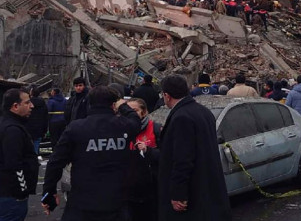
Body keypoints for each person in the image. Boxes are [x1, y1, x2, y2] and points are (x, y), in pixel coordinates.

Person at [42, 86, 140, 221]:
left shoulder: (76, 128)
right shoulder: (123, 125)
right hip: (116, 200)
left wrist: (49, 191)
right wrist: (123, 105)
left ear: (89, 103)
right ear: (113, 105)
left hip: (83, 200)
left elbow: (56, 162)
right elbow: (135, 120)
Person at [157, 75, 230, 220]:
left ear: (166, 95)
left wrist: (178, 193)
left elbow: (182, 159)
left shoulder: (181, 117)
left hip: (193, 192)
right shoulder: (203, 111)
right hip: (207, 187)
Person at [0, 89, 38, 221]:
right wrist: (23, 190)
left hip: (2, 191)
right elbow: (14, 165)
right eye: (27, 103)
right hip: (10, 195)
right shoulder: (12, 130)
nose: (31, 106)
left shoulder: (4, 123)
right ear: (15, 106)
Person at [126, 98, 161, 221]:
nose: (131, 114)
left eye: (134, 110)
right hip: (128, 191)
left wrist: (148, 151)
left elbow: (166, 156)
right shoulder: (122, 130)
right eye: (128, 111)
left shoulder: (156, 129)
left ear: (144, 112)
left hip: (151, 190)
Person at [26, 88, 48, 156]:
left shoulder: (27, 103)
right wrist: (45, 130)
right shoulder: (43, 103)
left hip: (28, 128)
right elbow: (46, 118)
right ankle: (35, 159)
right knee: (36, 145)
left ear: (31, 93)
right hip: (39, 128)